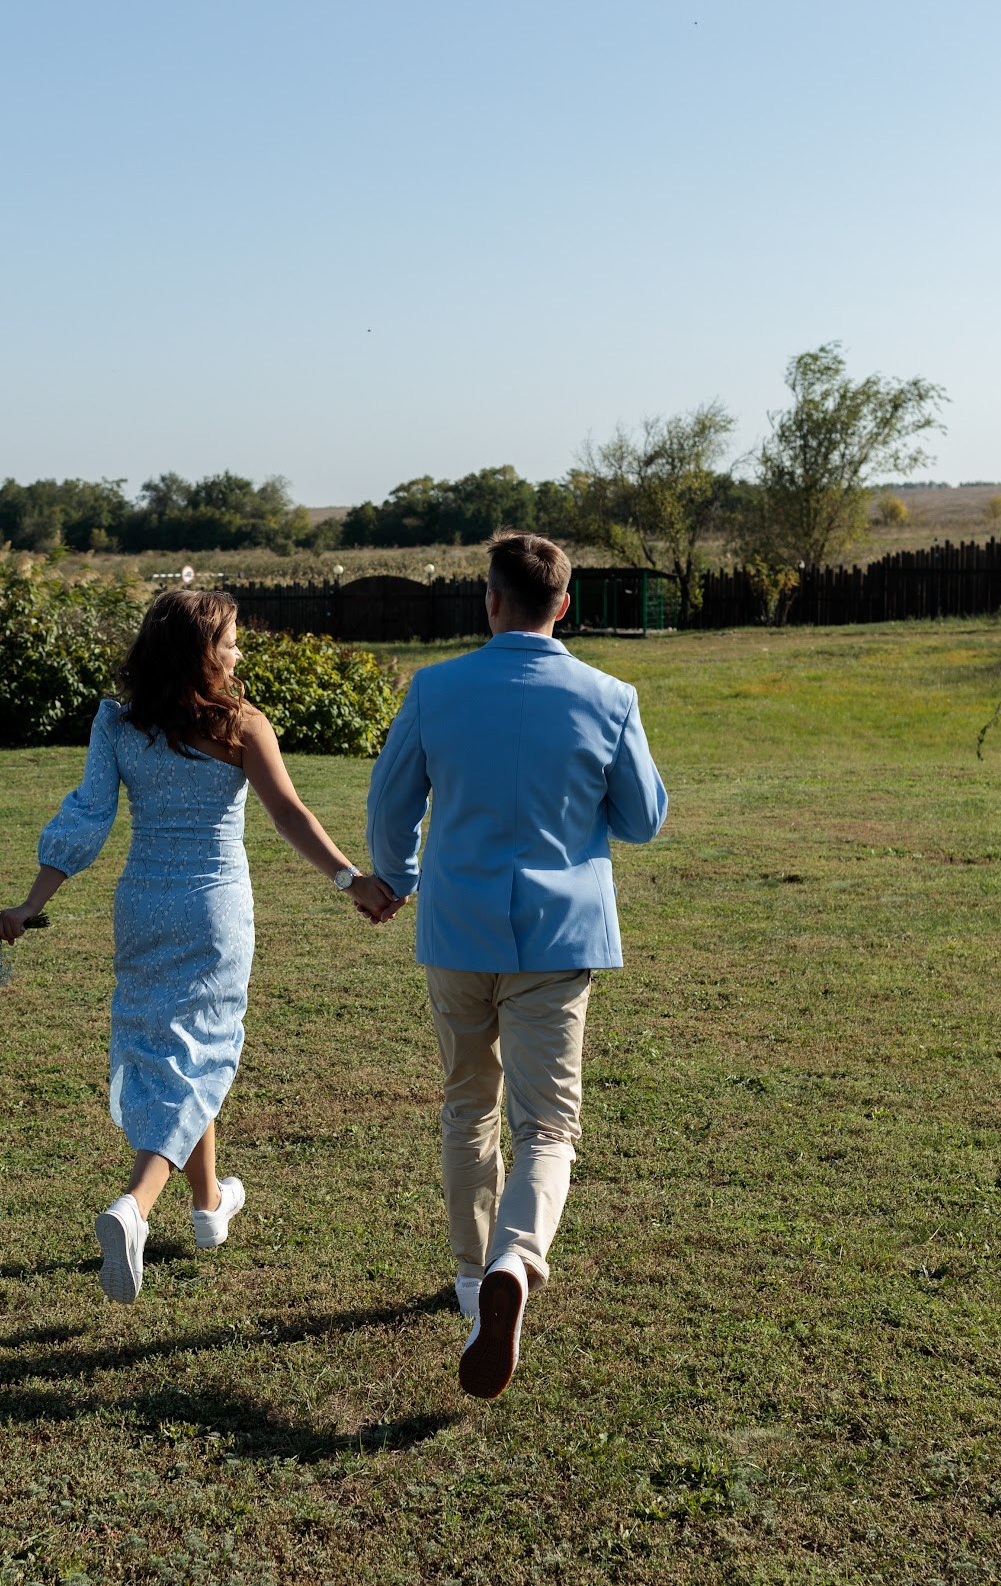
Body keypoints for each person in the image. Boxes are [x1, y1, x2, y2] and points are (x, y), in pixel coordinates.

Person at [0, 589, 397, 1303]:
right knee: (202, 1049)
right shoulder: (243, 724)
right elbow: (289, 813)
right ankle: (136, 1203)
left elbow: (86, 815)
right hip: (213, 909)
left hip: (142, 905)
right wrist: (350, 879)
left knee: (171, 1048)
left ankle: (209, 1205)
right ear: (203, 652)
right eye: (231, 641)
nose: (239, 653)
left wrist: (32, 902)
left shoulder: (119, 722)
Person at [365, 531, 669, 1398]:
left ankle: (473, 1278)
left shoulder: (434, 688)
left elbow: (390, 803)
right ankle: (517, 1256)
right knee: (548, 1124)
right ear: (564, 605)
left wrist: (396, 877)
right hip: (558, 936)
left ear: (491, 599)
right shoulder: (608, 695)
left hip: (458, 930)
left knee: (468, 1105)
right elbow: (643, 818)